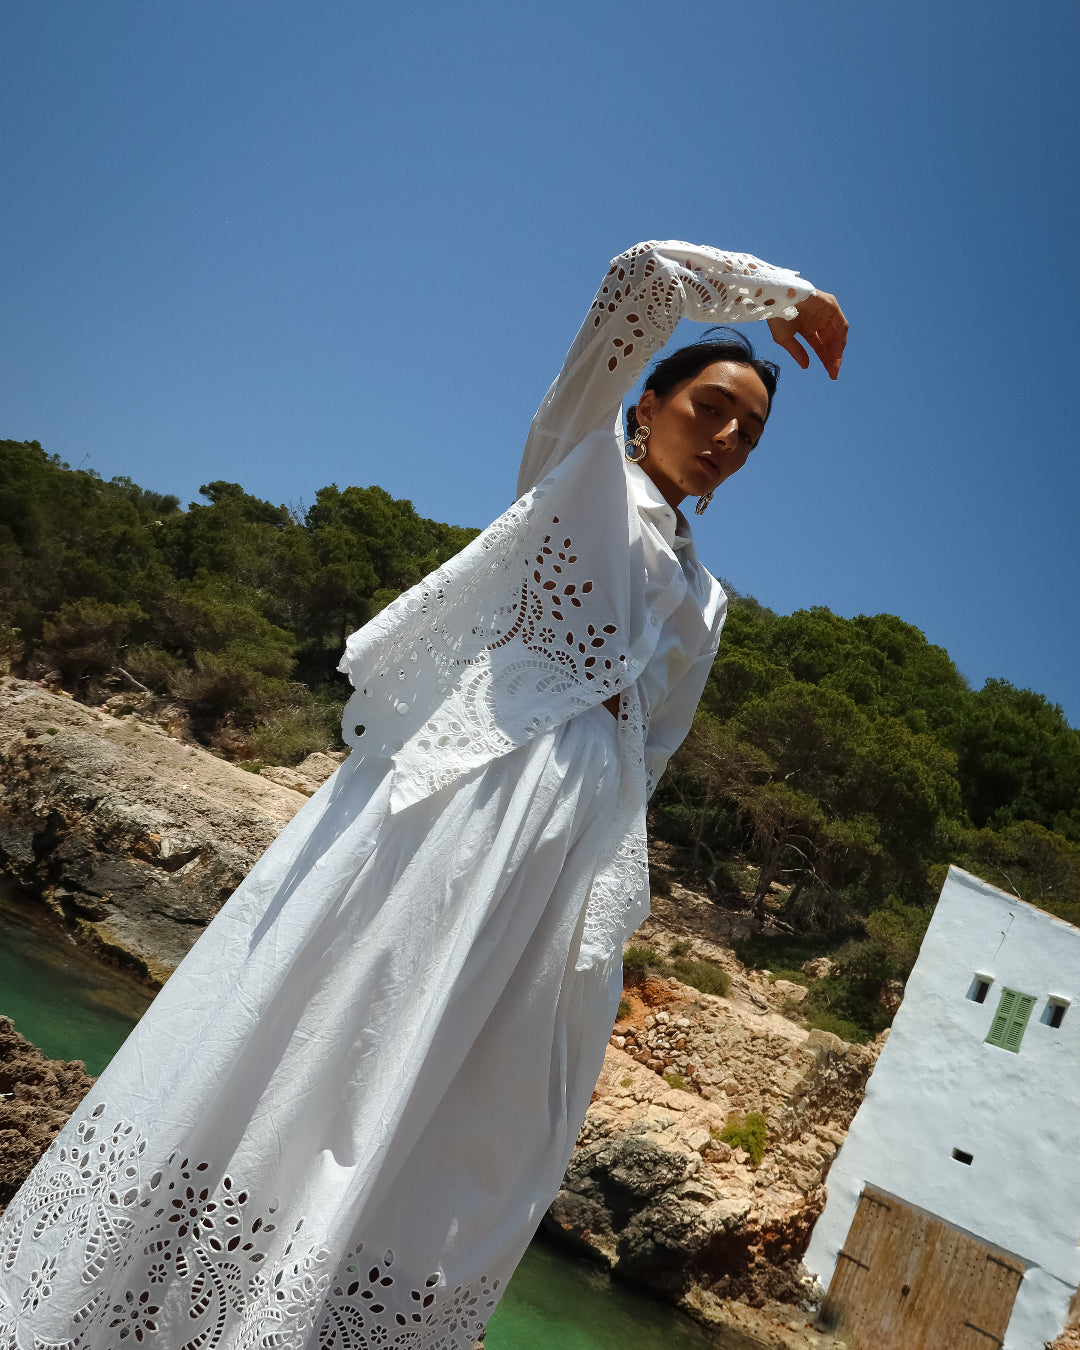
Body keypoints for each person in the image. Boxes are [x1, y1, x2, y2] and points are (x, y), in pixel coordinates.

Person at [0, 241, 845, 1350]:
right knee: (355, 1023)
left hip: (571, 858)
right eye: (712, 406)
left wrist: (602, 874)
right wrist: (782, 297)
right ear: (648, 403)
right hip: (466, 806)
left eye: (752, 431)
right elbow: (640, 280)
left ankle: (309, 1312)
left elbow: (657, 744)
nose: (730, 436)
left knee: (480, 1109)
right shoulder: (579, 467)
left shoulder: (710, 596)